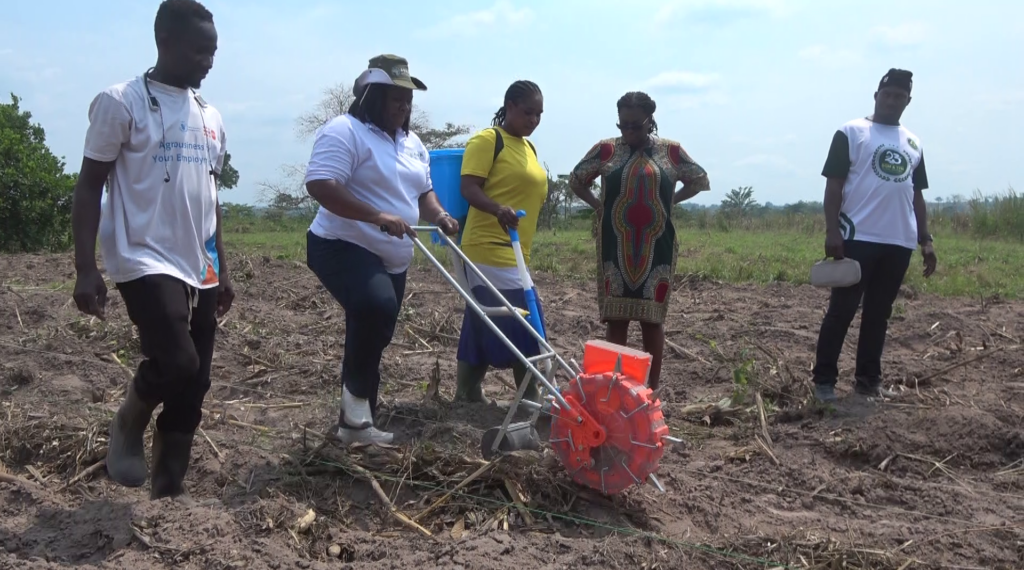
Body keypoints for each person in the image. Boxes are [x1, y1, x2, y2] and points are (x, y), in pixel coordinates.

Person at [70, 0, 233, 503]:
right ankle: (129, 419)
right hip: (142, 255)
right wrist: (84, 269)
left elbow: (211, 197)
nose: (209, 60)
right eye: (200, 50)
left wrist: (223, 268)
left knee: (197, 380)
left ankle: (168, 486)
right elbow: (89, 183)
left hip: (199, 260)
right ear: (166, 44)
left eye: (214, 51)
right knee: (177, 361)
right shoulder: (121, 102)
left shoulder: (211, 116)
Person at [304, 54, 459, 445]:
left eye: (408, 99)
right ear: (372, 96)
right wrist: (377, 216)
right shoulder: (345, 131)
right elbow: (321, 185)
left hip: (394, 256)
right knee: (375, 307)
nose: (404, 106)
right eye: (395, 97)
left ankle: (356, 421)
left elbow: (423, 193)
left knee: (375, 329)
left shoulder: (413, 143)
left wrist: (439, 215)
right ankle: (356, 420)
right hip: (340, 244)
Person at [568, 91, 710, 392]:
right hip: (614, 245)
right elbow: (576, 180)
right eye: (623, 125)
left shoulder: (671, 152)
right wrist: (600, 206)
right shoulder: (606, 150)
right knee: (616, 319)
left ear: (650, 121)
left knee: (652, 320)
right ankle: (613, 389)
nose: (628, 131)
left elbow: (699, 179)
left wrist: (672, 200)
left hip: (656, 245)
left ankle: (650, 391)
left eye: (635, 125)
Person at [812, 68, 937, 403]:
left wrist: (925, 240)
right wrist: (831, 229)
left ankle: (868, 381)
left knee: (879, 314)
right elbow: (834, 185)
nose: (892, 101)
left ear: (907, 101)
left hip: (899, 241)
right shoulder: (852, 132)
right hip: (857, 237)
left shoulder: (913, 142)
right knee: (842, 310)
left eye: (899, 96)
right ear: (876, 95)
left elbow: (917, 195)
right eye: (887, 95)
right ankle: (823, 381)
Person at [453, 80, 548, 405]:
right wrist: (497, 209)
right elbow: (469, 187)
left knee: (484, 317)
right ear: (508, 106)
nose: (533, 120)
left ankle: (467, 393)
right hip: (487, 246)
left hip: (516, 251)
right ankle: (530, 397)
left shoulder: (528, 148)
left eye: (538, 115)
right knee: (526, 317)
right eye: (527, 112)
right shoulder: (488, 140)